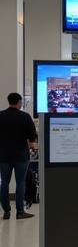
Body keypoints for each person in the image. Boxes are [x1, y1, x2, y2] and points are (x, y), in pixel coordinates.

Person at [0, 92, 38, 220]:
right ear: (19, 102)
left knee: (4, 182)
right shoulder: (25, 116)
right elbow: (32, 138)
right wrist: (33, 146)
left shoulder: (1, 115)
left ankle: (6, 211)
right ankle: (20, 211)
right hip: (21, 155)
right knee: (20, 182)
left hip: (3, 155)